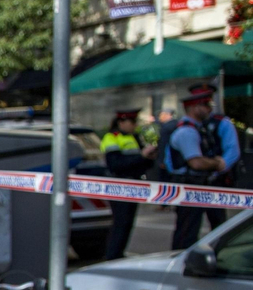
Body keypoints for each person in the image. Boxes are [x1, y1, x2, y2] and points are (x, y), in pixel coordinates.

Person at [165, 84, 242, 249]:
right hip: (192, 183)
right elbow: (195, 162)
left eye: (209, 103)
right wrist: (217, 163)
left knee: (218, 226)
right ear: (194, 106)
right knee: (188, 229)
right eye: (205, 104)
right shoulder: (187, 130)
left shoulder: (216, 124)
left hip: (210, 182)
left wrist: (221, 166)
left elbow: (232, 151)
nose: (209, 108)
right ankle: (179, 262)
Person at [100, 107, 156, 260]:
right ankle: (112, 255)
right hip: (119, 185)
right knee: (121, 222)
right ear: (121, 122)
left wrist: (148, 157)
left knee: (128, 222)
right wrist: (141, 156)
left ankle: (119, 254)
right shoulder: (112, 138)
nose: (134, 125)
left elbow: (140, 162)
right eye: (132, 121)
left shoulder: (134, 137)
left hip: (134, 184)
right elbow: (115, 164)